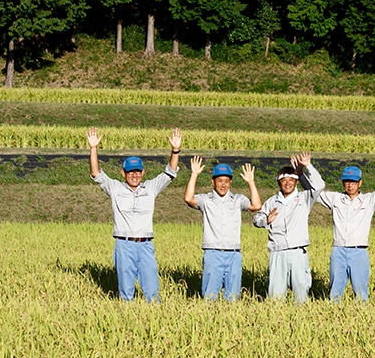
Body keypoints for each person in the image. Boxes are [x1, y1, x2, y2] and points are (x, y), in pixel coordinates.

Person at [87, 126, 182, 302]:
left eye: (138, 171)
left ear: (143, 172)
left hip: (145, 245)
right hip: (124, 244)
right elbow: (96, 173)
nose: (135, 175)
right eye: (131, 172)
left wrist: (175, 150)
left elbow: (170, 172)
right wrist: (94, 148)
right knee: (126, 291)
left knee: (152, 290)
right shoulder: (115, 188)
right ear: (123, 173)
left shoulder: (151, 187)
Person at [317, 149, 375, 301]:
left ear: (360, 183)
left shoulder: (369, 200)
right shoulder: (336, 199)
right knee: (334, 293)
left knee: (361, 293)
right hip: (338, 251)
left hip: (358, 252)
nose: (350, 185)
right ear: (343, 183)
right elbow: (316, 193)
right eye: (347, 181)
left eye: (353, 182)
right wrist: (301, 172)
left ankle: (360, 319)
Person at [183, 156, 262, 301]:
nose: (223, 185)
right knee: (209, 296)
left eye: (226, 181)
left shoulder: (238, 199)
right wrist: (194, 174)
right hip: (213, 253)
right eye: (220, 181)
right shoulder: (206, 200)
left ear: (230, 182)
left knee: (232, 297)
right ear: (213, 182)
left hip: (234, 254)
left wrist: (251, 182)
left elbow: (256, 206)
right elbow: (188, 198)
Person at [252, 151, 324, 303]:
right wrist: (266, 219)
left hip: (298, 252)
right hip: (277, 252)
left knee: (301, 293)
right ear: (279, 182)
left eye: (292, 179)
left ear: (297, 182)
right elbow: (256, 218)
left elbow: (319, 186)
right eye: (284, 180)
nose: (288, 183)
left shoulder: (304, 199)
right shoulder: (272, 202)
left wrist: (307, 167)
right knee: (275, 295)